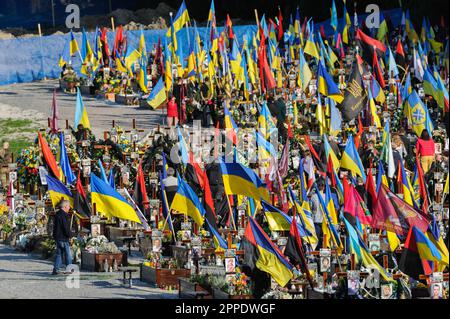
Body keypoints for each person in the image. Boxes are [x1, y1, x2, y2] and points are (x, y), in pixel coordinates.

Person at [52, 199, 73, 275]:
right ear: (65, 206)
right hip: (63, 238)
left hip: (58, 237)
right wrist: (70, 235)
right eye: (68, 206)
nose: (69, 208)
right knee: (68, 254)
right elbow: (65, 227)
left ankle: (56, 269)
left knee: (59, 254)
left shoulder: (57, 214)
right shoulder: (63, 215)